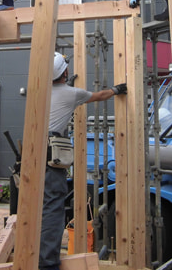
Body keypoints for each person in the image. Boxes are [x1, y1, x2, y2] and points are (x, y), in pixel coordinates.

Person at [39, 52, 127, 270]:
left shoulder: (40, 91)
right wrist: (116, 90)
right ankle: (47, 264)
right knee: (52, 208)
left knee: (36, 205)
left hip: (33, 153)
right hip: (50, 157)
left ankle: (31, 254)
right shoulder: (72, 93)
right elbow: (100, 95)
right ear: (65, 72)